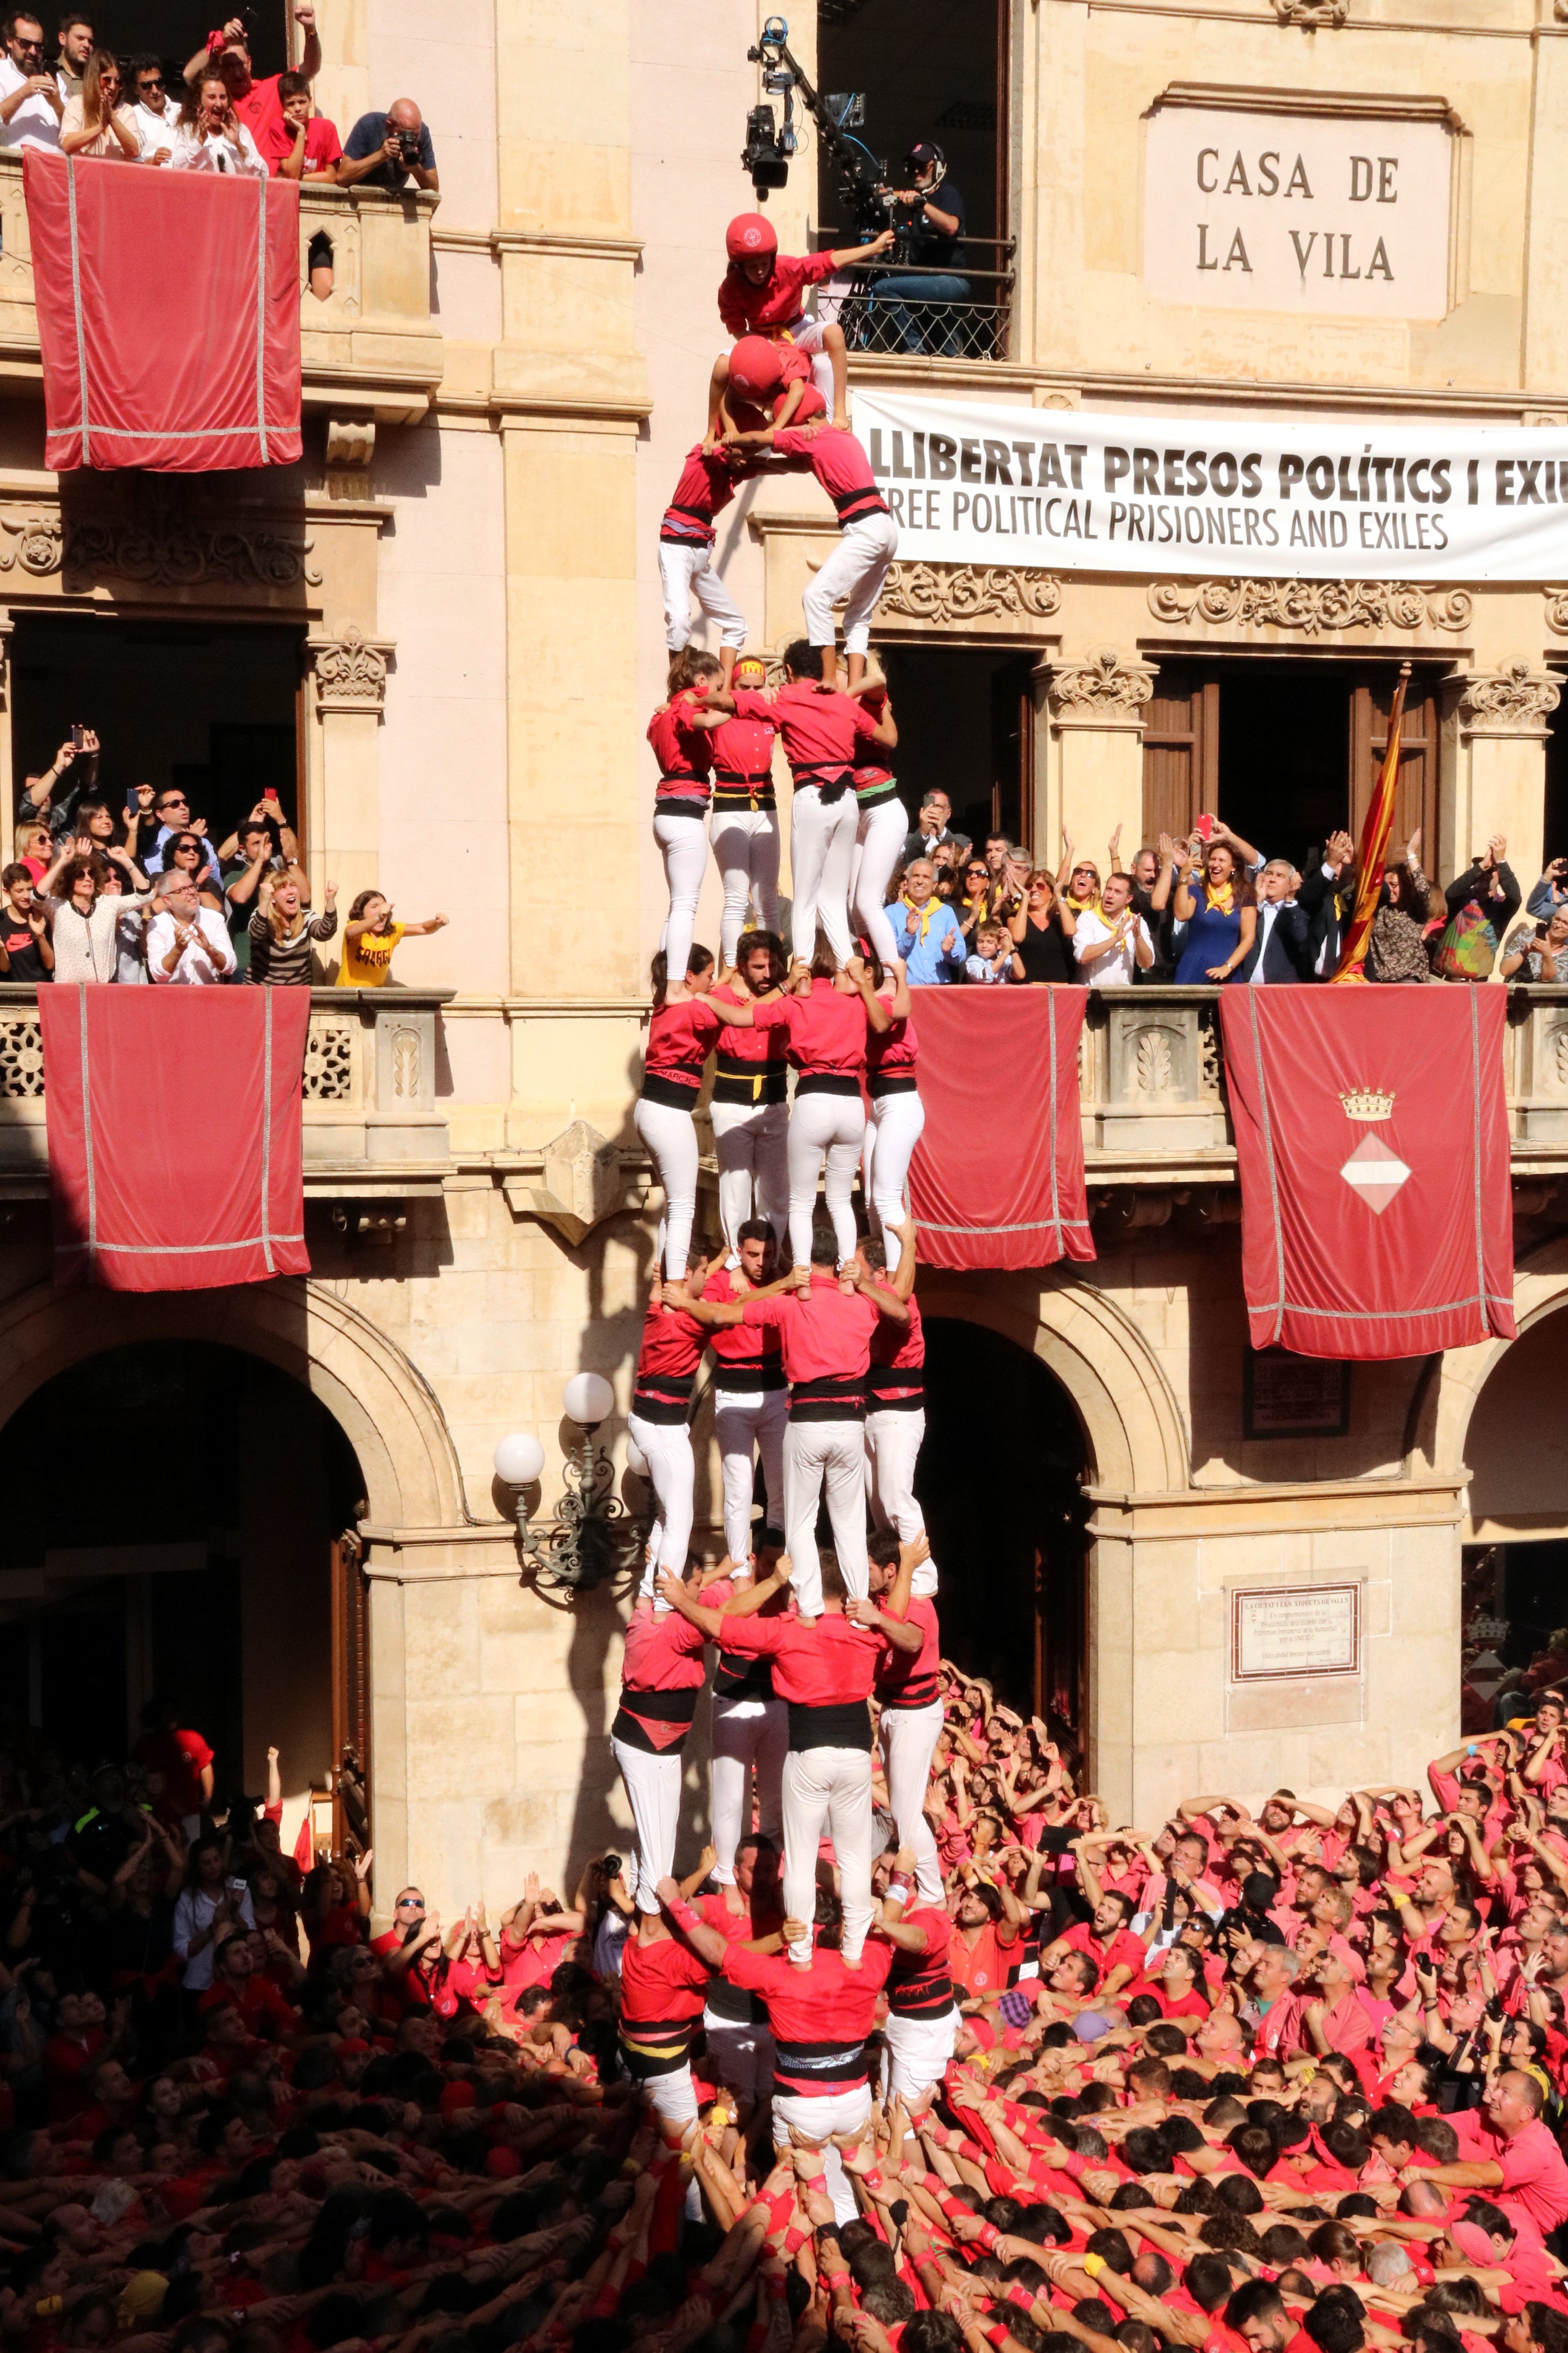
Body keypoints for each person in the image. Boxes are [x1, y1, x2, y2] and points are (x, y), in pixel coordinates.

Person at [659, 1532, 921, 1976]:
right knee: (854, 1857)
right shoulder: (867, 1626)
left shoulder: (789, 1630)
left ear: (809, 1588)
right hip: (856, 1754)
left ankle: (800, 1958)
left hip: (809, 1752)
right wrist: (909, 1565)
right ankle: (853, 1951)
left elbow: (721, 1626)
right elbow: (899, 1618)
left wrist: (682, 1600)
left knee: (799, 1859)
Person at [671, 1216, 908, 1613]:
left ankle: (811, 1607)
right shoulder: (862, 1303)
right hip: (850, 1419)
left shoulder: (787, 1305)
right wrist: (864, 1283)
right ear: (836, 1262)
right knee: (849, 1522)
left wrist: (687, 1303)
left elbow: (722, 1316)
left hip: (807, 1419)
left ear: (801, 1260)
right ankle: (860, 1607)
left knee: (800, 1521)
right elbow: (900, 1312)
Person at [703, 638, 896, 968]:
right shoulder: (842, 702)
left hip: (813, 796)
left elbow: (722, 702)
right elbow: (888, 739)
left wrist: (691, 698)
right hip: (848, 800)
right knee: (834, 899)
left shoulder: (787, 698)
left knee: (805, 896)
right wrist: (847, 703)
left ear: (789, 671)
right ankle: (851, 968)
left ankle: (802, 970)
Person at [733, 418, 898, 690]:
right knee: (857, 616)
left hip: (865, 526)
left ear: (806, 420)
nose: (785, 426)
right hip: (886, 527)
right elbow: (799, 466)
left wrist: (726, 442)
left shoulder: (814, 435)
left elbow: (758, 440)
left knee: (815, 597)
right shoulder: (841, 438)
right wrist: (759, 465)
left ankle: (831, 677)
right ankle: (853, 690)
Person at [760, 940, 892, 1273]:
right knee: (841, 1200)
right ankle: (848, 1275)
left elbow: (749, 1015)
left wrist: (785, 986)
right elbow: (890, 1015)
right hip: (850, 1102)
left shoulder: (796, 1002)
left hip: (814, 1099)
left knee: (801, 1202)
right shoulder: (857, 1003)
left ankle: (802, 1278)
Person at [711, 210, 894, 438]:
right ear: (739, 266)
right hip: (760, 339)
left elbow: (829, 261)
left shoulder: (789, 269)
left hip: (797, 328)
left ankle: (838, 413)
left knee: (834, 333)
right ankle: (712, 432)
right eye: (751, 267)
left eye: (764, 264)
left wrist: (873, 248)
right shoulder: (730, 288)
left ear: (772, 258)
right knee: (722, 365)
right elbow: (738, 329)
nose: (759, 271)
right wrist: (765, 349)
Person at [633, 944, 732, 1284]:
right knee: (683, 1207)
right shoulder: (692, 1010)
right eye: (708, 976)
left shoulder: (667, 1001)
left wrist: (718, 984)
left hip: (652, 1110)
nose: (712, 982)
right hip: (669, 1114)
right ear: (689, 977)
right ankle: (673, 1284)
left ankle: (662, 1284)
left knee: (674, 1205)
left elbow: (714, 993)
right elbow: (733, 1015)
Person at [704, 1219, 787, 1576]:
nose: (761, 1262)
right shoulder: (721, 1282)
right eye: (753, 1254)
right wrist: (728, 1268)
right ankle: (739, 1566)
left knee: (781, 1484)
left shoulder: (782, 1279)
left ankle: (779, 1556)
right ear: (740, 1251)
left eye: (767, 1254)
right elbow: (710, 1316)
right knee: (738, 1486)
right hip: (734, 1393)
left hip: (775, 1389)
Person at [625, 1260, 710, 1608]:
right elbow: (723, 1317)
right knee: (680, 1516)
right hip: (662, 1426)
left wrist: (717, 1258)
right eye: (704, 1272)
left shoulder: (658, 1308)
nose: (710, 1278)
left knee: (666, 1514)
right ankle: (663, 1604)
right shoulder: (685, 1318)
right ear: (687, 1274)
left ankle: (648, 1595)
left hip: (655, 1421)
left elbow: (658, 1288)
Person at [692, 651, 780, 962]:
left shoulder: (771, 711)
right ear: (733, 686)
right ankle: (731, 967)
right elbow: (691, 701)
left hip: (766, 806)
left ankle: (774, 966)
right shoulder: (720, 712)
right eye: (745, 687)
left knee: (767, 897)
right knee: (736, 896)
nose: (752, 695)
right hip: (730, 805)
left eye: (759, 688)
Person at [707, 929, 788, 1255]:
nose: (768, 974)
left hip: (774, 1102)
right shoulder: (722, 996)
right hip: (731, 1103)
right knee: (735, 1188)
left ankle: (773, 1256)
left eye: (773, 965)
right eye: (758, 967)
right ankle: (734, 1261)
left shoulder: (788, 994)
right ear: (742, 965)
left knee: (775, 1190)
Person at [648, 647, 720, 989]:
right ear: (701, 680)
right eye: (718, 687)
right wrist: (739, 708)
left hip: (666, 812)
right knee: (685, 906)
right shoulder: (685, 709)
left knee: (677, 905)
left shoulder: (662, 714)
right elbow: (704, 720)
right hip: (684, 815)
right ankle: (675, 985)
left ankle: (666, 980)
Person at [863, 141, 971, 356]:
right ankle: (954, 364)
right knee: (947, 347)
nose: (916, 171)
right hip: (929, 280)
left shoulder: (947, 194)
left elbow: (951, 226)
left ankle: (915, 348)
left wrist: (921, 203)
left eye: (922, 166)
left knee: (884, 288)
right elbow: (896, 198)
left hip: (950, 280)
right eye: (912, 167)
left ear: (938, 168)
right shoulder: (917, 199)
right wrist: (885, 195)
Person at [657, 444, 755, 679]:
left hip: (701, 551)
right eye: (744, 454)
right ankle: (676, 687)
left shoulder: (736, 470)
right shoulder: (705, 455)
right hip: (678, 548)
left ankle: (725, 688)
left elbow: (772, 466)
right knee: (680, 618)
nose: (744, 462)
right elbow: (717, 414)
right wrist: (718, 428)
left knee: (736, 623)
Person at [181, 4, 318, 167]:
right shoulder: (219, 101)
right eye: (229, 66)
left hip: (271, 183)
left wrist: (310, 30)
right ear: (219, 69)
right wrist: (220, 41)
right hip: (236, 184)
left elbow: (310, 67)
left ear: (250, 63)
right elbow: (189, 75)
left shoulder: (273, 87)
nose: (237, 72)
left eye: (241, 64)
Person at [861, 956, 921, 1236]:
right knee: (871, 1198)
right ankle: (880, 1269)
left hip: (899, 1101)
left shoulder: (883, 1001)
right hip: (879, 1103)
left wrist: (899, 976)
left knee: (886, 1197)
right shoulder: (866, 1002)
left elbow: (895, 1015)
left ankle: (897, 1277)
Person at [37, 840, 152, 983]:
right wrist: (62, 862)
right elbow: (37, 897)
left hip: (101, 991)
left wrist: (126, 861)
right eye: (80, 875)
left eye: (91, 874)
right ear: (68, 880)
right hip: (67, 991)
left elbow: (146, 896)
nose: (87, 878)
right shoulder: (58, 907)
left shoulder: (108, 904)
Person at [1170, 830, 1259, 983]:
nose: (1215, 865)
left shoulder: (1245, 896)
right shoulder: (1197, 891)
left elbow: (1248, 939)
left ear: (1233, 867)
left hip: (1228, 974)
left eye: (1222, 861)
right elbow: (1181, 915)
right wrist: (1183, 877)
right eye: (1212, 860)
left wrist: (1227, 967)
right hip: (1193, 971)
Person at [1440, 836, 1521, 981]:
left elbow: (1515, 897)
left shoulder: (1502, 907)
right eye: (1482, 870)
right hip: (1448, 979)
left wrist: (1501, 862)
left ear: (1500, 876)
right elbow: (1451, 892)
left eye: (1490, 871)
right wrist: (1482, 866)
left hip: (1479, 981)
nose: (1484, 875)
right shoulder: (1461, 899)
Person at [246, 870, 338, 985]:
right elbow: (256, 934)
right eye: (283, 888)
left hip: (296, 995)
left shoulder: (307, 917)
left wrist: (330, 900)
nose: (290, 891)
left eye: (293, 886)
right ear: (272, 898)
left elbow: (326, 932)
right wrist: (264, 901)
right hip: (262, 993)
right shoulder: (262, 916)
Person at [336, 890, 447, 985]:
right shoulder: (355, 926)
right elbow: (351, 932)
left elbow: (424, 928)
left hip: (374, 999)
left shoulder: (392, 931)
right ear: (361, 912)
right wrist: (378, 917)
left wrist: (438, 923)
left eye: (384, 907)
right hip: (349, 998)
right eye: (374, 907)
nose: (382, 911)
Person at [146, 869, 237, 983]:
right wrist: (177, 950)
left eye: (192, 887)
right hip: (172, 998)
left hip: (208, 997)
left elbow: (230, 967)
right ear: (167, 900)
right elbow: (158, 975)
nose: (192, 892)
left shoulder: (214, 919)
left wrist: (210, 950)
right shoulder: (157, 925)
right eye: (183, 890)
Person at [1234, 859, 1313, 985]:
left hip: (1279, 991)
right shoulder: (1250, 908)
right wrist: (1258, 902)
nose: (1272, 879)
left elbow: (1301, 938)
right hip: (1245, 986)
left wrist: (1290, 899)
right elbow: (1235, 933)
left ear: (1291, 883)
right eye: (1269, 874)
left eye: (1280, 876)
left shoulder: (1296, 911)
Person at [169, 69, 265, 173]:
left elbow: (263, 173)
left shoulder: (239, 130)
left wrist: (239, 145)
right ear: (198, 100)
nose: (219, 104)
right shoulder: (188, 130)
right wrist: (200, 140)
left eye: (223, 97)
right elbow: (178, 167)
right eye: (212, 97)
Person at [1073, 868, 1156, 985]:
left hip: (1122, 996)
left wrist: (1138, 937)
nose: (1110, 896)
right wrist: (1115, 939)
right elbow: (1082, 956)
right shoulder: (1088, 918)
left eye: (1117, 892)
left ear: (1129, 899)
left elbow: (1147, 963)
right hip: (1091, 996)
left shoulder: (1136, 922)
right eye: (1108, 889)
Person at [337, 98, 437, 192]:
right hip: (359, 201)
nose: (411, 140)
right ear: (390, 125)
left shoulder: (423, 133)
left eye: (415, 136)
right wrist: (380, 156)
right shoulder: (369, 125)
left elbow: (434, 189)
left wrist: (415, 168)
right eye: (404, 134)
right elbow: (342, 178)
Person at [894, 858, 966, 985]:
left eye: (926, 877)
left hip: (941, 990)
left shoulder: (945, 912)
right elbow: (891, 955)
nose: (920, 882)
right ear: (907, 881)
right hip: (907, 990)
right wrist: (909, 934)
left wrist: (949, 951)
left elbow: (960, 955)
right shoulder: (891, 913)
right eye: (916, 876)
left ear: (934, 885)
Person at [0, 9, 63, 146]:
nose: (33, 51)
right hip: (14, 165)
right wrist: (23, 93)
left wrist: (57, 104)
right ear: (9, 41)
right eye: (25, 44)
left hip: (54, 164)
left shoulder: (54, 78)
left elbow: (73, 131)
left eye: (39, 46)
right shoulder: (1, 72)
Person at [58, 48, 136, 155]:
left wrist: (112, 119)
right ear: (94, 78)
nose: (113, 87)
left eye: (118, 82)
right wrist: (100, 128)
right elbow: (67, 145)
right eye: (107, 80)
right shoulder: (77, 104)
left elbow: (134, 151)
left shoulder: (125, 110)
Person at [1009, 865, 1077, 981]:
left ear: (1051, 893)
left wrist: (1059, 894)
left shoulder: (1059, 919)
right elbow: (1018, 938)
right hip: (1027, 989)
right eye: (1029, 886)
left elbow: (1071, 931)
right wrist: (1025, 898)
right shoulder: (1015, 917)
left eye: (1040, 886)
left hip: (1059, 989)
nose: (1034, 890)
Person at [276, 67, 338, 179]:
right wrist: (301, 132)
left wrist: (299, 178)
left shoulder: (327, 128)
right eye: (291, 104)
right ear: (283, 106)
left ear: (310, 101)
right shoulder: (279, 128)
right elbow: (293, 174)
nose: (298, 108)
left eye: (302, 102)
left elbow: (332, 176)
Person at [0, 862, 53, 982]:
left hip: (39, 991)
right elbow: (5, 968)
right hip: (11, 994)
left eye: (29, 889)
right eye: (19, 891)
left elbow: (50, 965)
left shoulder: (41, 917)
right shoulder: (2, 920)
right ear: (7, 892)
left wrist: (41, 936)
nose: (27, 896)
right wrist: (1, 950)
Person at [126, 50, 173, 161]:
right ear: (136, 89)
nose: (155, 90)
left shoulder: (181, 110)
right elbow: (133, 165)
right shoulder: (132, 116)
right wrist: (154, 161)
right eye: (147, 86)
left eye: (159, 82)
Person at [1503, 901, 1568, 981]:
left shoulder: (1566, 955)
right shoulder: (1526, 936)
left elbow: (1549, 980)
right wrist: (1525, 952)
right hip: (1516, 992)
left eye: (1565, 923)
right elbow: (1504, 971)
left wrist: (1547, 955)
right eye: (1557, 919)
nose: (1558, 925)